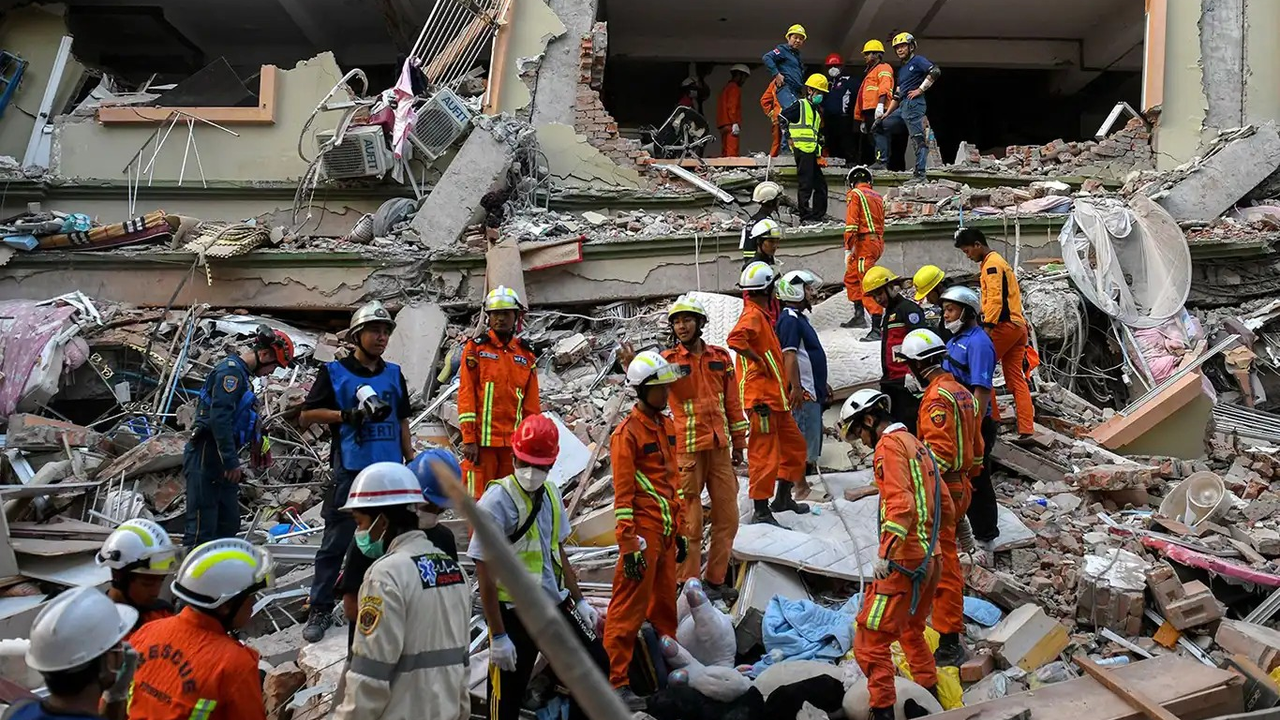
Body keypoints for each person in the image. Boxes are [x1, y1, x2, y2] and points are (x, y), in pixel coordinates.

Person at [472, 415, 608, 720]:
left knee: (596, 666)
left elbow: (558, 552)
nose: (531, 472)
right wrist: (498, 635)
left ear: (551, 463)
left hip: (553, 603)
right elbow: (485, 574)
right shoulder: (496, 502)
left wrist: (580, 600)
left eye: (539, 466)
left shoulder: (551, 495)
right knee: (506, 698)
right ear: (514, 457)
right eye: (526, 463)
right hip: (515, 613)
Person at [299, 300, 415, 644]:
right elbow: (306, 415)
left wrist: (411, 458)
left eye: (385, 332)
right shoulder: (335, 373)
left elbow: (402, 419)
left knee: (392, 541)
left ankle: (388, 601)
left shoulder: (393, 374)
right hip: (352, 472)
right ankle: (320, 606)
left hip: (390, 474)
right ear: (356, 336)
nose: (381, 338)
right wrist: (344, 416)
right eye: (374, 331)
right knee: (336, 542)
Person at [838, 389, 951, 720]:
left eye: (859, 433)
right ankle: (929, 700)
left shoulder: (887, 447)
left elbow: (901, 504)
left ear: (869, 420)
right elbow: (944, 501)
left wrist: (885, 553)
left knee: (870, 641)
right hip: (931, 558)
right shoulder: (917, 445)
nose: (862, 442)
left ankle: (883, 711)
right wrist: (961, 534)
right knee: (911, 630)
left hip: (904, 561)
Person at [334, 462, 471, 720]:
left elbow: (370, 678)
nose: (359, 532)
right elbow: (462, 661)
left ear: (382, 521)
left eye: (360, 522)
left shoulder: (385, 576)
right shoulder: (453, 570)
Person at [604, 351, 686, 711]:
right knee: (627, 611)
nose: (667, 393)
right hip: (643, 535)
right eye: (660, 387)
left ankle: (666, 672)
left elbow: (672, 483)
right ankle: (616, 683)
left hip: (665, 533)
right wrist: (629, 545)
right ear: (642, 390)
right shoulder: (627, 435)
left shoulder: (667, 426)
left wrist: (679, 530)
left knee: (665, 607)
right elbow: (623, 497)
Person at [897, 328, 982, 668]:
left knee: (944, 565)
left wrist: (917, 483)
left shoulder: (936, 399)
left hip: (943, 487)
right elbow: (977, 446)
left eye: (909, 366)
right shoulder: (962, 392)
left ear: (919, 366)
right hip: (960, 485)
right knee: (944, 559)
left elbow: (939, 455)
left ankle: (949, 642)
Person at [659, 295, 747, 602]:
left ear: (700, 323)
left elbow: (733, 403)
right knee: (690, 523)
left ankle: (715, 580)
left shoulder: (720, 357)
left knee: (728, 517)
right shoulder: (668, 361)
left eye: (686, 320)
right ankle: (688, 583)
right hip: (688, 451)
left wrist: (739, 443)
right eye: (676, 322)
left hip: (719, 448)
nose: (681, 326)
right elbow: (648, 390)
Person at [128, 538, 273, 720]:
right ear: (226, 605)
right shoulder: (235, 665)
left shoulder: (148, 630)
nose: (252, 605)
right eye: (251, 598)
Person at [336, 449, 462, 650]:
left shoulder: (443, 539)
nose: (433, 512)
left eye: (440, 508)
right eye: (428, 505)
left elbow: (450, 597)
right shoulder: (373, 541)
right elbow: (352, 607)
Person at [184, 324, 294, 548]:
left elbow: (242, 416)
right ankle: (192, 568)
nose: (272, 373)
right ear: (264, 355)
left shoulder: (242, 377)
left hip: (222, 456)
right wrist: (230, 461)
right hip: (207, 453)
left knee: (228, 523)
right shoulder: (230, 373)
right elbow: (220, 419)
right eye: (274, 366)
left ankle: (220, 567)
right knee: (202, 528)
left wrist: (259, 441)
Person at [728, 262, 809, 526]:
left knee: (795, 447)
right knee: (764, 455)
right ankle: (761, 510)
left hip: (775, 399)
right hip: (761, 401)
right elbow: (735, 339)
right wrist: (756, 360)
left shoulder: (762, 316)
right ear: (768, 289)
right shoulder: (753, 315)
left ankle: (782, 498)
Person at [458, 286, 542, 499]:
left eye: (506, 313)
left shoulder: (526, 354)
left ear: (516, 316)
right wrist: (469, 439)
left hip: (513, 447)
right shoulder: (476, 349)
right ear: (488, 316)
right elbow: (467, 394)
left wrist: (530, 444)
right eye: (495, 314)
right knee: (478, 500)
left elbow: (531, 406)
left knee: (510, 499)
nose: (500, 319)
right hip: (482, 445)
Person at [953, 228, 1035, 441]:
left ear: (977, 245)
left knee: (981, 371)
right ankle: (1026, 429)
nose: (968, 256)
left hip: (1003, 326)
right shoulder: (997, 262)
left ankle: (991, 422)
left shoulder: (991, 265)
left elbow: (995, 300)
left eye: (967, 251)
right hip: (1018, 327)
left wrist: (987, 330)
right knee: (1015, 379)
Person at [10, 587, 137, 720]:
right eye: (117, 646)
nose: (121, 654)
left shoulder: (18, 711)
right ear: (109, 661)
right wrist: (117, 694)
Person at [940, 285, 1001, 554]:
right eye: (945, 310)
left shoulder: (978, 343)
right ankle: (962, 530)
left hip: (975, 423)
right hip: (957, 421)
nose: (946, 315)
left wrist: (972, 427)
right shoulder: (955, 340)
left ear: (967, 312)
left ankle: (986, 536)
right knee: (960, 476)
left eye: (951, 310)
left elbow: (982, 389)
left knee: (978, 478)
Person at [775, 277, 830, 477]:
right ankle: (802, 479)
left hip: (812, 387)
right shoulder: (789, 319)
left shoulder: (798, 318)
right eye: (807, 289)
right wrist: (796, 387)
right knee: (805, 437)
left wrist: (822, 383)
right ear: (795, 291)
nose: (811, 293)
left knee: (812, 432)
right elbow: (789, 355)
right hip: (805, 390)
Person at [861, 266, 927, 430]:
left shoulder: (908, 310)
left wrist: (914, 374)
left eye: (879, 293)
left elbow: (921, 343)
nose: (878, 299)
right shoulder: (888, 314)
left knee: (910, 426)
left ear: (891, 287)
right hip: (891, 382)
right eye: (874, 296)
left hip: (907, 383)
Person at [874, 32, 941, 181]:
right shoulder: (902, 69)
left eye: (902, 46)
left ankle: (920, 174)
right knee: (879, 126)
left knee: (918, 139)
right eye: (897, 47)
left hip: (914, 104)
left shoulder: (918, 60)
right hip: (902, 106)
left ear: (911, 47)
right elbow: (897, 95)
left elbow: (935, 71)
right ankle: (881, 163)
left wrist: (920, 89)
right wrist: (887, 114)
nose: (899, 50)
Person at [95, 518, 177, 638]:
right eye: (147, 583)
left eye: (161, 580)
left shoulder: (163, 614)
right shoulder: (97, 628)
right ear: (119, 577)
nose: (156, 591)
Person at [779, 74, 830, 222]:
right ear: (810, 90)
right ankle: (805, 216)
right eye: (818, 92)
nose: (820, 96)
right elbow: (782, 117)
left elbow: (815, 136)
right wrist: (788, 137)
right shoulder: (800, 105)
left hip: (811, 152)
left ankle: (818, 215)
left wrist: (819, 155)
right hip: (801, 150)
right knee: (806, 184)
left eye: (822, 93)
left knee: (821, 186)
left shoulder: (816, 112)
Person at [840, 165, 885, 329]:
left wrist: (847, 248)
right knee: (851, 277)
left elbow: (852, 225)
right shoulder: (877, 196)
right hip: (875, 242)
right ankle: (859, 316)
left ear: (852, 182)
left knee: (867, 281)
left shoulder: (855, 194)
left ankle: (876, 325)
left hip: (864, 243)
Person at [854, 40, 894, 165]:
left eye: (867, 54)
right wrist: (862, 118)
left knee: (879, 134)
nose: (865, 57)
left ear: (876, 54)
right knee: (873, 137)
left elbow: (885, 86)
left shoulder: (883, 68)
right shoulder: (871, 71)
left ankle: (882, 162)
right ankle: (878, 161)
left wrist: (881, 105)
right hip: (869, 110)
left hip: (877, 108)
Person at [762, 24, 807, 111]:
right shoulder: (783, 50)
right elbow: (767, 58)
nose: (798, 40)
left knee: (797, 113)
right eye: (795, 37)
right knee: (790, 112)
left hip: (795, 91)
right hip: (786, 88)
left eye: (801, 39)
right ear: (788, 38)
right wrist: (777, 74)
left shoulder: (797, 55)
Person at [820, 54, 856, 162]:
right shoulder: (827, 82)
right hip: (829, 118)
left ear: (841, 66)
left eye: (835, 66)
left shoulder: (849, 81)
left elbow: (854, 98)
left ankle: (849, 162)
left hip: (844, 118)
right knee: (831, 142)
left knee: (846, 143)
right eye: (830, 66)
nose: (832, 69)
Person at [718, 65, 750, 157]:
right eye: (744, 77)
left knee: (725, 151)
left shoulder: (726, 87)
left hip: (724, 124)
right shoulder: (734, 88)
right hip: (730, 125)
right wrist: (734, 123)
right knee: (732, 153)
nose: (744, 81)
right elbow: (732, 107)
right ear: (739, 75)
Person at [912, 264, 951, 338]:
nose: (928, 299)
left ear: (939, 287)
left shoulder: (955, 306)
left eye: (928, 294)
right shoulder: (945, 308)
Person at [760, 84, 783, 158]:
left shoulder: (774, 83)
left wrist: (772, 114)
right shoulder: (792, 80)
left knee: (777, 142)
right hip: (787, 116)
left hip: (778, 116)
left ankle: (772, 156)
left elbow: (764, 101)